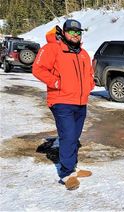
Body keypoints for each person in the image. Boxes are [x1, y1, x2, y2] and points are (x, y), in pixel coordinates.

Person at [32, 19, 94, 190]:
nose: (75, 35)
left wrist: (89, 85)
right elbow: (38, 69)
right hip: (61, 101)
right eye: (72, 31)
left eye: (78, 32)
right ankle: (67, 174)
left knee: (74, 136)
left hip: (80, 102)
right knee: (67, 136)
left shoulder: (83, 53)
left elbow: (89, 73)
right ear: (64, 32)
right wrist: (56, 83)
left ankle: (72, 167)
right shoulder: (53, 48)